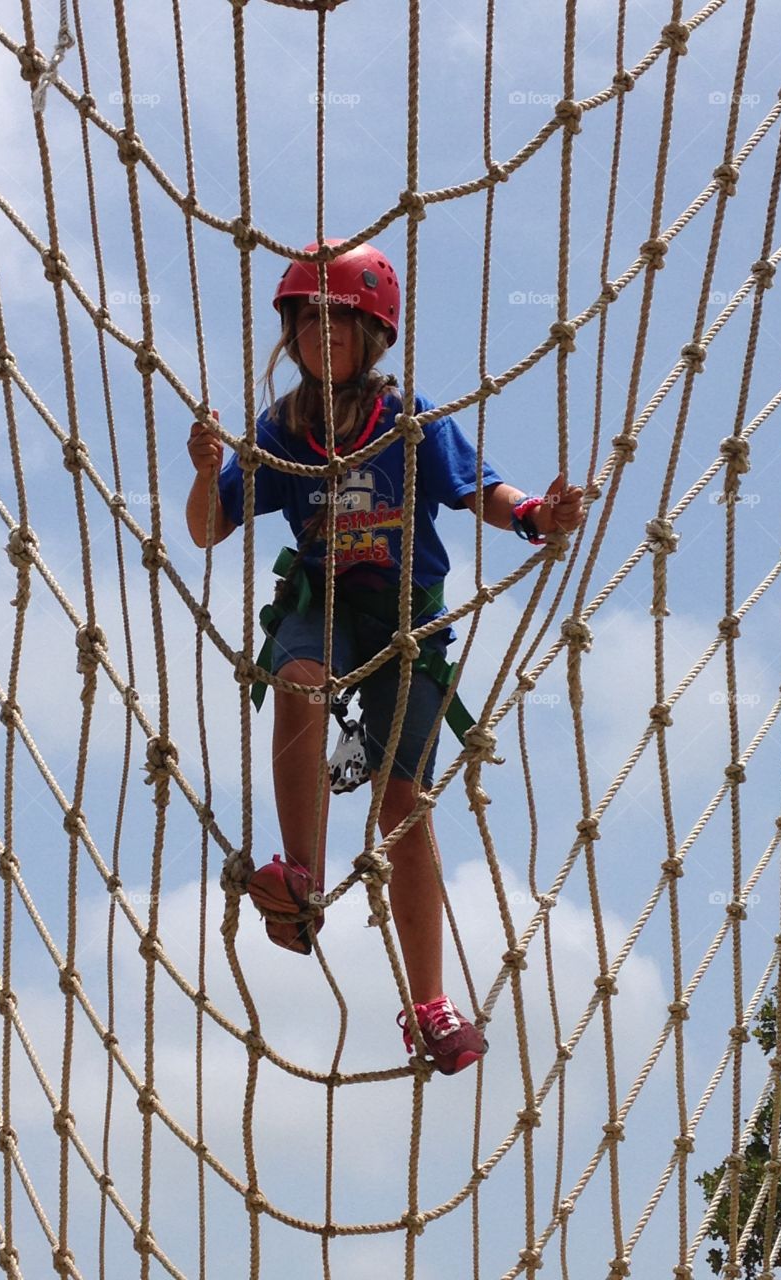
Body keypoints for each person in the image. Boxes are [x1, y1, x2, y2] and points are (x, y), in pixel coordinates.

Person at [186, 240, 584, 1074]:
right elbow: (207, 529)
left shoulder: (407, 418)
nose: (323, 333)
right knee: (297, 677)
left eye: (341, 321)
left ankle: (430, 1005)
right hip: (322, 603)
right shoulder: (282, 428)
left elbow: (479, 487)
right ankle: (301, 875)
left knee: (404, 806)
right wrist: (206, 471)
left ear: (373, 335)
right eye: (309, 320)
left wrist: (534, 517)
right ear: (291, 333)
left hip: (406, 621)